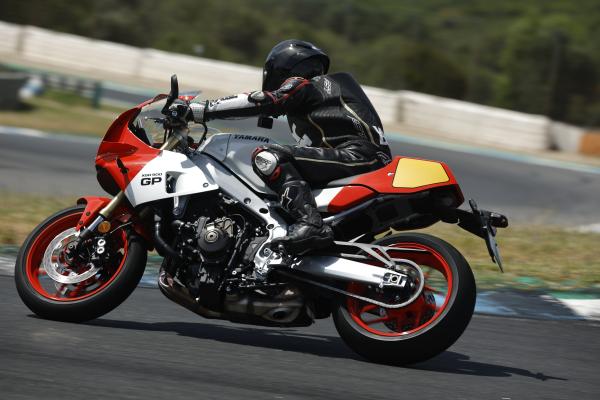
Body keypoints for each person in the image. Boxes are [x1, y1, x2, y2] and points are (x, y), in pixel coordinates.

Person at [175, 39, 392, 253]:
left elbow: (264, 101)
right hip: (363, 159)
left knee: (268, 157)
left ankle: (311, 223)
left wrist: (200, 110)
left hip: (358, 156)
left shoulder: (306, 84)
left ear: (282, 68)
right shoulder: (324, 93)